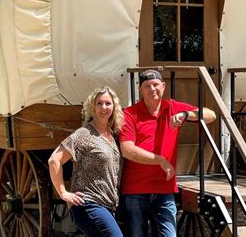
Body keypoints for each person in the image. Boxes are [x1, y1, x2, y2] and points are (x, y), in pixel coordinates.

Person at [119, 69, 216, 237]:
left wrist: (186, 115)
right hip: (136, 188)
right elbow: (128, 150)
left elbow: (211, 115)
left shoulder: (172, 107)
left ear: (163, 86)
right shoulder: (129, 114)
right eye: (147, 86)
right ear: (140, 89)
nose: (152, 89)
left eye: (156, 85)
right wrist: (161, 161)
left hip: (164, 188)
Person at [48, 86, 124, 236]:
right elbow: (54, 160)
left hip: (106, 205)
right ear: (93, 108)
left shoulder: (110, 135)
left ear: (114, 107)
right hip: (88, 203)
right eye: (99, 103)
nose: (104, 107)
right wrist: (63, 193)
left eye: (108, 103)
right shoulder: (84, 134)